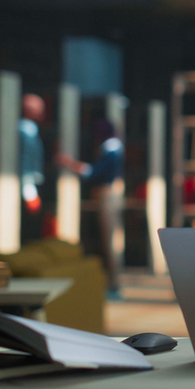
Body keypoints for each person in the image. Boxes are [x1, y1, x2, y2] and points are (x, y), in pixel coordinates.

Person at [56, 118, 125, 297]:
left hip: (108, 195)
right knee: (111, 239)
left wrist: (69, 163)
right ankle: (113, 283)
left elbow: (93, 173)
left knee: (110, 240)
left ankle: (114, 285)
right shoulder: (114, 148)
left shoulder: (111, 150)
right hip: (110, 195)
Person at [19, 94, 46, 241]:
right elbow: (26, 162)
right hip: (28, 187)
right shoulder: (26, 131)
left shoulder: (30, 130)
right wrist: (30, 192)